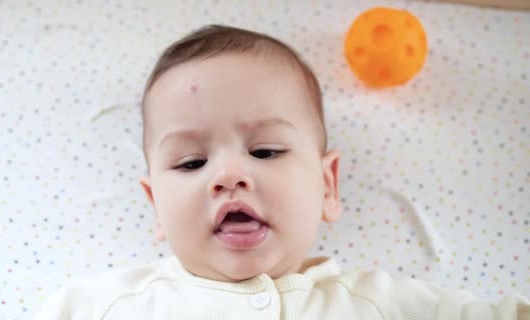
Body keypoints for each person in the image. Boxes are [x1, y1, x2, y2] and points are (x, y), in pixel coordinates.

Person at [35, 24, 529, 319]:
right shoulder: (105, 306)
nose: (228, 175)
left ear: (327, 185)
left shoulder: (382, 306)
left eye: (266, 151)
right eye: (191, 162)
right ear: (155, 207)